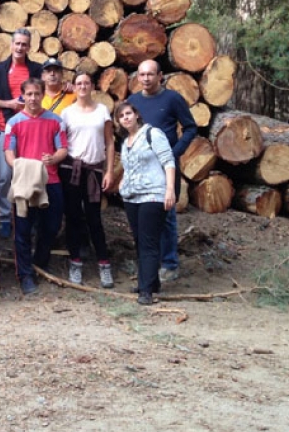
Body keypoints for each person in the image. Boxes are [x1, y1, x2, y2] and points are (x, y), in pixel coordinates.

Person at [127, 59, 197, 282]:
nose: (146, 78)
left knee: (166, 215)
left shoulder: (173, 99)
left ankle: (169, 263)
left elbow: (190, 127)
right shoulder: (134, 101)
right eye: (142, 74)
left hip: (166, 168)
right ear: (137, 77)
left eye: (150, 74)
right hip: (141, 169)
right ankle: (148, 266)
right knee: (142, 217)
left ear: (160, 76)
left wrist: (175, 152)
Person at [5, 78, 68, 295]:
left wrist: (53, 158)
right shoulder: (13, 122)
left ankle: (40, 262)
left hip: (50, 181)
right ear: (23, 96)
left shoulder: (55, 121)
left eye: (37, 94)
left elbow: (63, 149)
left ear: (43, 95)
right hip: (25, 184)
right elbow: (8, 152)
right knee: (22, 230)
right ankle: (25, 275)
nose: (33, 98)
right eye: (29, 94)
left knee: (51, 227)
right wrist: (20, 167)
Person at [115, 101, 176, 305]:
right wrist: (123, 183)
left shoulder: (153, 134)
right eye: (121, 115)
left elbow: (168, 161)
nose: (126, 117)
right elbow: (128, 167)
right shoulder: (126, 143)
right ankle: (150, 282)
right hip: (132, 197)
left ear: (136, 115)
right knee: (140, 241)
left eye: (128, 113)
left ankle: (146, 291)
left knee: (149, 242)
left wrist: (169, 190)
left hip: (153, 195)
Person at [59, 72, 115, 288]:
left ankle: (104, 263)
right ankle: (75, 262)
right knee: (73, 218)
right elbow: (63, 143)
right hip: (71, 169)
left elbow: (109, 142)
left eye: (86, 83)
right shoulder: (67, 113)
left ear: (93, 86)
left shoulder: (102, 111)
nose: (82, 86)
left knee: (94, 218)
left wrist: (109, 171)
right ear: (74, 86)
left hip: (94, 170)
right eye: (79, 83)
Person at [0, 29, 43, 239]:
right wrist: (9, 104)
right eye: (17, 43)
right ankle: (3, 216)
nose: (20, 48)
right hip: (4, 128)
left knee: (29, 175)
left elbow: (47, 92)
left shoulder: (36, 69)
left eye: (24, 44)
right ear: (11, 45)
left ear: (29, 47)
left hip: (30, 130)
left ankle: (27, 216)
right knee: (4, 176)